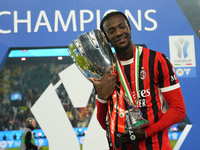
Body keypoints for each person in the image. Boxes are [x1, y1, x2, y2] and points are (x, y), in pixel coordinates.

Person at [89, 11, 186, 150]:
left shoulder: (157, 60)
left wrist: (147, 132)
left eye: (122, 27)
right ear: (106, 39)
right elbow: (105, 124)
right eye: (111, 31)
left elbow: (178, 110)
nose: (118, 33)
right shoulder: (105, 71)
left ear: (130, 28)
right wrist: (102, 98)